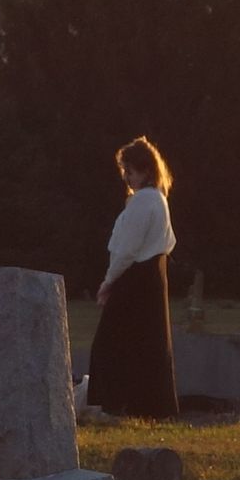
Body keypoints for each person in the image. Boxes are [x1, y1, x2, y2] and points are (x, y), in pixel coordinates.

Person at [82, 136, 179, 419]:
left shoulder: (143, 202)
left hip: (135, 277)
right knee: (146, 342)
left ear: (146, 170)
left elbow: (126, 249)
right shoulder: (158, 199)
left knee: (112, 342)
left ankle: (119, 402)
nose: (126, 176)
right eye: (124, 170)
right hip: (151, 277)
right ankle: (146, 405)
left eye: (131, 170)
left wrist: (108, 281)